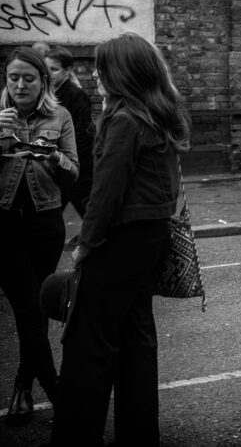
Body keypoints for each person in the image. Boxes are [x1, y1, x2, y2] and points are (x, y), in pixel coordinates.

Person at [51, 33, 190, 446]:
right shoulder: (153, 112)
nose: (94, 73)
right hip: (149, 238)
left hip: (121, 239)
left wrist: (85, 245)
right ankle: (139, 434)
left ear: (121, 72)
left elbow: (106, 192)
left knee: (87, 345)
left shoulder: (125, 118)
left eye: (101, 66)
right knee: (135, 339)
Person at [0, 47, 79, 425]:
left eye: (28, 78)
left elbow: (74, 172)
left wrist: (54, 159)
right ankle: (56, 390)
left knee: (37, 310)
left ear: (43, 82)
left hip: (46, 225)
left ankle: (22, 385)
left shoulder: (60, 116)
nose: (19, 84)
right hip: (4, 229)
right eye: (13, 77)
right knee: (28, 310)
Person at [44, 46, 94, 221]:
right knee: (50, 213)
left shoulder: (76, 96)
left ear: (68, 71)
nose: (49, 74)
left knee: (89, 214)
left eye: (54, 69)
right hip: (59, 167)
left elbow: (83, 135)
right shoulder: (50, 95)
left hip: (76, 169)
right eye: (47, 69)